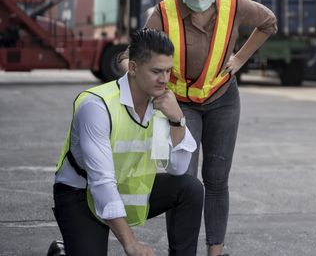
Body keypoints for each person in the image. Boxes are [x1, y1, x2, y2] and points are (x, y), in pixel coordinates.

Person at [140, 0, 277, 256]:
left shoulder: (233, 2)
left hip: (223, 100)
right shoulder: (163, 13)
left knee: (216, 179)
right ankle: (182, 251)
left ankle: (216, 250)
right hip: (182, 106)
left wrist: (241, 57)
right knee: (183, 182)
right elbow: (134, 56)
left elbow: (268, 22)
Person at [52, 29, 203, 256]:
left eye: (168, 71)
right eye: (156, 71)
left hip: (124, 184)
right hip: (80, 193)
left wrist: (177, 119)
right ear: (132, 68)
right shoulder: (97, 106)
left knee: (190, 189)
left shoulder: (163, 104)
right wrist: (130, 243)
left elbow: (178, 168)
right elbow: (101, 182)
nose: (164, 79)